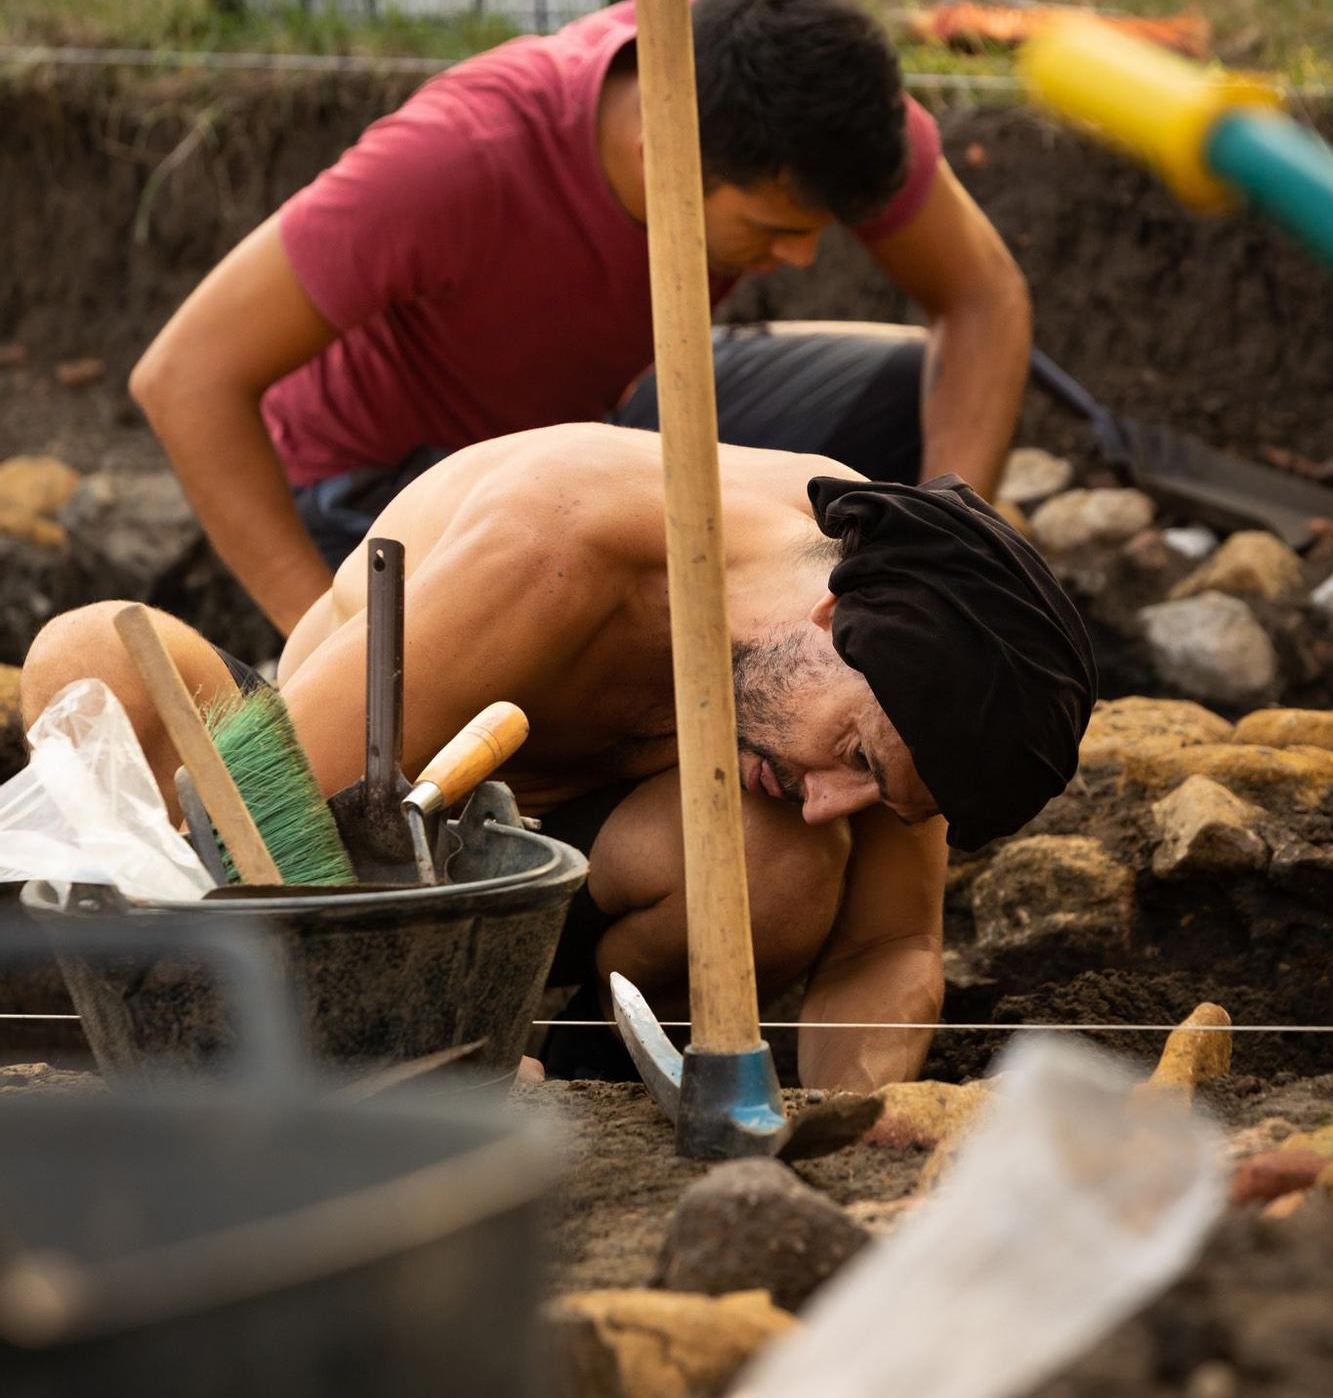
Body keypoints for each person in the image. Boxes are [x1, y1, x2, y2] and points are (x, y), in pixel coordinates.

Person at [22, 424, 1095, 1095]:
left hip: (571, 875)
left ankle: (591, 1067)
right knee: (88, 655)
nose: (832, 804)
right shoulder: (560, 545)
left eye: (878, 796)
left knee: (775, 865)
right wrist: (438, 1043)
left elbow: (890, 944)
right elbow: (274, 837)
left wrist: (855, 1115)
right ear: (828, 621)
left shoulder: (919, 612)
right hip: (359, 836)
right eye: (853, 756)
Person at [129, 0, 1032, 639]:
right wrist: (324, 634)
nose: (801, 258)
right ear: (658, 155)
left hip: (597, 421)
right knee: (592, 669)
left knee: (905, 407)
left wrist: (947, 553)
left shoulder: (819, 106)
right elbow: (183, 378)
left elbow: (982, 297)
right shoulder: (457, 157)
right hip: (384, 485)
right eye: (773, 229)